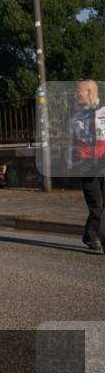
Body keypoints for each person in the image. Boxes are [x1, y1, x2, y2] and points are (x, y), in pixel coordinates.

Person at [70, 79, 105, 253]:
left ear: (90, 92)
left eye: (79, 91)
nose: (76, 95)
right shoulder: (77, 115)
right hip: (87, 165)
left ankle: (90, 235)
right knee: (96, 205)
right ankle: (95, 237)